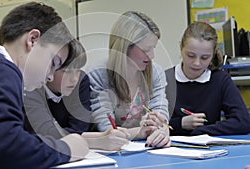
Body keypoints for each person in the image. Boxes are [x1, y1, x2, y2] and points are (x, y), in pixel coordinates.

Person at [0, 2, 89, 169]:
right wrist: (66, 149)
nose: (50, 76)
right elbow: (4, 151)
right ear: (33, 40)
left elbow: (15, 137)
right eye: (53, 62)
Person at [24, 39, 129, 151]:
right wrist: (95, 141)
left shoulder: (81, 82)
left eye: (77, 70)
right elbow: (44, 133)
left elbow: (79, 127)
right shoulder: (31, 86)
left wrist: (102, 135)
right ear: (49, 68)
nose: (74, 78)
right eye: (66, 71)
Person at [88, 11, 171, 148]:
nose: (152, 56)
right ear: (124, 47)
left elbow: (160, 114)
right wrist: (139, 132)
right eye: (146, 49)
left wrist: (161, 129)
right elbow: (107, 131)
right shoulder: (98, 74)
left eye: (153, 48)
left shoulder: (155, 72)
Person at [166, 21, 250, 136]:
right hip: (169, 150)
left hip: (208, 149)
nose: (197, 63)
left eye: (205, 58)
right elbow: (148, 124)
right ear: (181, 47)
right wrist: (180, 124)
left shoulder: (220, 80)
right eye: (191, 55)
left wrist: (202, 131)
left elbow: (243, 121)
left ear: (213, 54)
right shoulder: (164, 79)